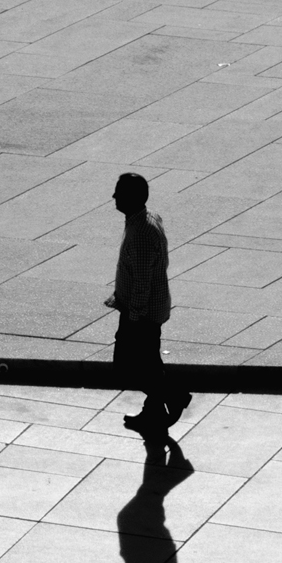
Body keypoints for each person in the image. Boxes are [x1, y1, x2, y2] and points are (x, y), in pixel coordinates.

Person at [106, 173, 187, 437]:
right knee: (149, 363)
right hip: (146, 309)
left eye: (119, 192)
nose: (114, 196)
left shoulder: (140, 232)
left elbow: (142, 281)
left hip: (141, 314)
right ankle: (153, 412)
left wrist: (134, 317)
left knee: (128, 367)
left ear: (132, 197)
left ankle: (174, 395)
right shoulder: (147, 218)